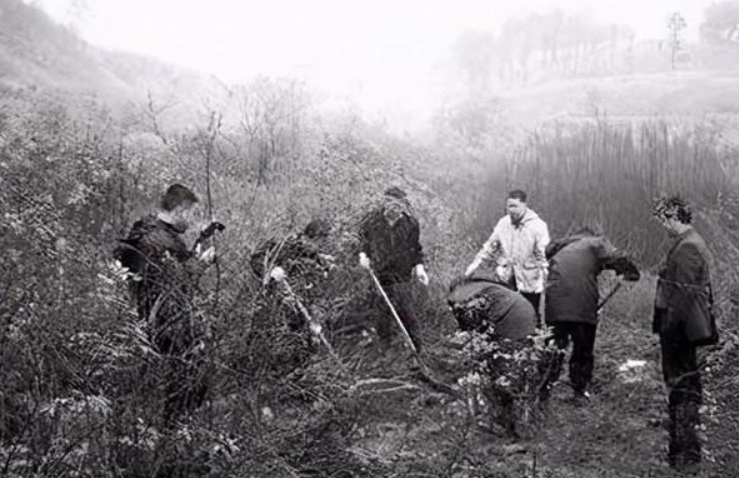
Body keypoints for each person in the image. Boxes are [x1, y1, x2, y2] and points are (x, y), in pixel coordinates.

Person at [114, 183, 217, 421]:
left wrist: (202, 239)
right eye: (190, 213)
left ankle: (174, 430)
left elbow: (178, 265)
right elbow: (175, 281)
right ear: (180, 208)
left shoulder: (155, 233)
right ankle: (172, 433)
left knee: (186, 380)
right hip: (164, 322)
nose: (191, 220)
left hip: (162, 319)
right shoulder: (157, 239)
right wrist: (201, 264)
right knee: (186, 381)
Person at [653, 195, 718, 470]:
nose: (663, 226)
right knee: (683, 386)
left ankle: (685, 454)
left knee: (683, 387)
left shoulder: (688, 246)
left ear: (674, 217)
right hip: (680, 328)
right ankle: (682, 450)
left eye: (664, 220)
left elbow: (684, 294)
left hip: (681, 331)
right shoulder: (685, 243)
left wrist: (669, 326)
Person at [545, 225, 640, 400]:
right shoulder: (596, 243)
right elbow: (618, 257)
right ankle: (579, 390)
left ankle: (544, 387)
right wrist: (630, 273)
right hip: (582, 303)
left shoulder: (559, 247)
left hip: (554, 303)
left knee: (554, 345)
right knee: (583, 348)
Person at [357, 187, 429, 352]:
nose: (396, 209)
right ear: (385, 202)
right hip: (379, 273)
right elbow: (363, 242)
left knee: (406, 310)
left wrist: (419, 268)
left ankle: (417, 348)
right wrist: (363, 256)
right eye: (392, 204)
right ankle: (385, 346)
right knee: (382, 311)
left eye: (400, 206)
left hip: (402, 274)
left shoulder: (411, 224)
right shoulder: (371, 220)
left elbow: (415, 248)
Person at [465, 189, 550, 326]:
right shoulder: (503, 223)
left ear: (524, 205)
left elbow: (543, 254)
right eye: (509, 206)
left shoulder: (538, 226)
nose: (511, 210)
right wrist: (474, 265)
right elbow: (490, 247)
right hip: (507, 277)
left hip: (529, 280)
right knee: (506, 313)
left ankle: (532, 340)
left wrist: (546, 274)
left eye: (515, 206)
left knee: (530, 314)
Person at [447, 270, 535, 341]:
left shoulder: (458, 295)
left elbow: (474, 324)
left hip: (511, 312)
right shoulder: (480, 286)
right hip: (525, 307)